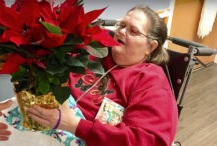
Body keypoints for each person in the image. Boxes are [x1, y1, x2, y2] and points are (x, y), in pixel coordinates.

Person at [27, 6, 178, 146]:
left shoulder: (151, 80)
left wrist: (73, 124)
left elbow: (148, 141)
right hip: (45, 120)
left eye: (134, 31)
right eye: (122, 25)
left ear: (150, 47)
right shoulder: (95, 49)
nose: (122, 32)